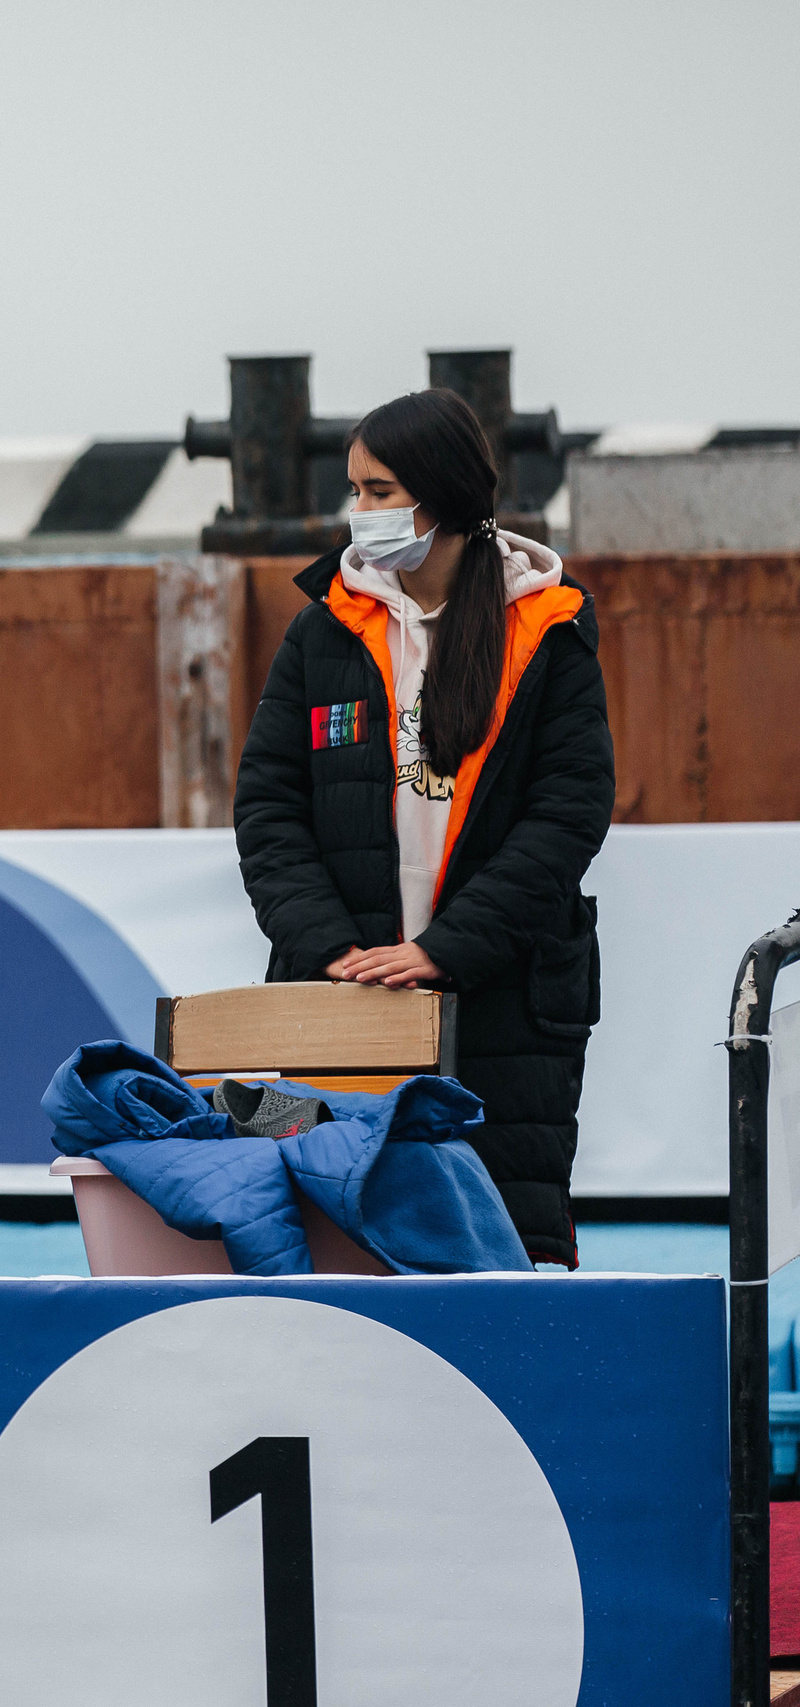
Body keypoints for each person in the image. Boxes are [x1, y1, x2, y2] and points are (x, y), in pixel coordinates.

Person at [233, 388, 614, 1268]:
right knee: (339, 1245)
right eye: (354, 490)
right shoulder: (322, 630)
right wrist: (331, 949)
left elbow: (568, 815)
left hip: (507, 1007)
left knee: (504, 1245)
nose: (355, 511)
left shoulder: (550, 632)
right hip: (340, 1003)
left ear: (437, 499)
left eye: (376, 490)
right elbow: (267, 809)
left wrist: (447, 947)